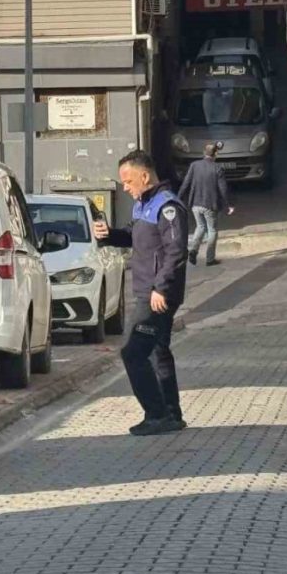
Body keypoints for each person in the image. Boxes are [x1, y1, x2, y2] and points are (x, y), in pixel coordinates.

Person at [93, 150, 189, 436]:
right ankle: (171, 414)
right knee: (158, 351)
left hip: (156, 296)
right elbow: (135, 236)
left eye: (128, 180)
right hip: (147, 291)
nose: (125, 187)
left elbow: (176, 252)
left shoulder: (167, 206)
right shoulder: (142, 205)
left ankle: (156, 414)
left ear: (145, 176)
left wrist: (162, 288)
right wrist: (109, 234)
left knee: (133, 352)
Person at [179, 142, 235, 266]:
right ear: (216, 154)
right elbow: (223, 188)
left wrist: (178, 198)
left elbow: (186, 183)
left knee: (200, 227)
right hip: (210, 204)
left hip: (195, 204)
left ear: (204, 153)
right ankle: (210, 259)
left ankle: (193, 250)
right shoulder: (217, 168)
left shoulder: (194, 166)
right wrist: (229, 204)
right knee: (212, 230)